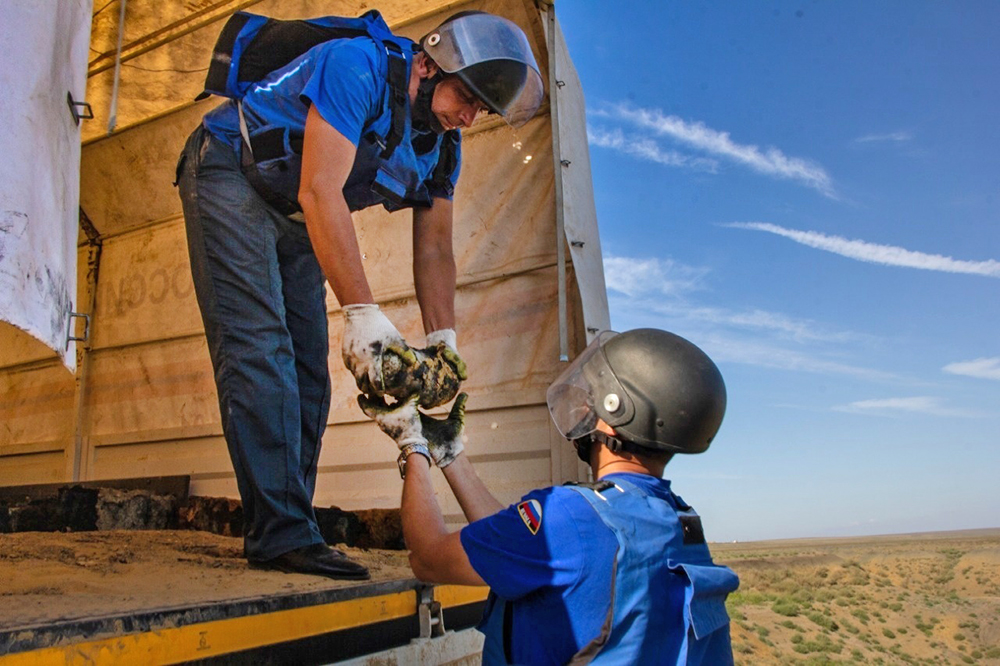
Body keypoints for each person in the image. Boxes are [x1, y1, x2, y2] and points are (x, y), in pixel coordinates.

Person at [175, 10, 543, 579]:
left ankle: (288, 522)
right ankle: (282, 534)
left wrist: (443, 346)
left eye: (481, 111)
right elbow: (322, 188)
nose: (469, 118)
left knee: (309, 373)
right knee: (260, 352)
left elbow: (436, 251)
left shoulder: (443, 146)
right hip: (230, 171)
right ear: (429, 62)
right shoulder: (360, 67)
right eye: (466, 98)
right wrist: (365, 316)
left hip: (294, 212)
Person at [361, 328, 741, 664]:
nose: (584, 403)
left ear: (615, 412)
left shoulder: (569, 516)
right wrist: (449, 454)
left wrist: (412, 446)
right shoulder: (678, 523)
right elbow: (513, 545)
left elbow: (428, 559)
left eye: (592, 394)